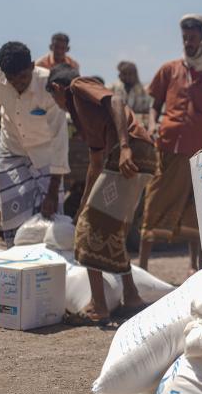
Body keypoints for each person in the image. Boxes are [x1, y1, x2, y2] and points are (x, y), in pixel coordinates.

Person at [46, 64, 156, 325]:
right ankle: (131, 297)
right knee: (110, 229)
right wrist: (84, 202)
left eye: (53, 97)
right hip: (140, 155)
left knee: (87, 231)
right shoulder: (83, 119)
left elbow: (115, 100)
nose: (56, 103)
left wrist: (126, 147)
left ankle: (98, 307)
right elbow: (95, 163)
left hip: (131, 152)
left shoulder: (77, 86)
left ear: (58, 88)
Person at [140, 14, 202, 272]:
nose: (188, 43)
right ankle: (143, 268)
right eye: (184, 38)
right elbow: (154, 105)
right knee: (154, 202)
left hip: (199, 152)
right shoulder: (169, 69)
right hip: (168, 147)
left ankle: (199, 269)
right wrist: (152, 126)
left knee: (197, 210)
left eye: (192, 38)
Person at [0, 42, 69, 246]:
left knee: (51, 218)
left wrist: (53, 190)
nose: (18, 84)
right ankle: (18, 264)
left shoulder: (49, 85)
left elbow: (60, 135)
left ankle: (49, 267)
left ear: (33, 66)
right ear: (3, 73)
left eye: (23, 77)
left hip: (46, 152)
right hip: (12, 149)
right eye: (11, 80)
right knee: (14, 215)